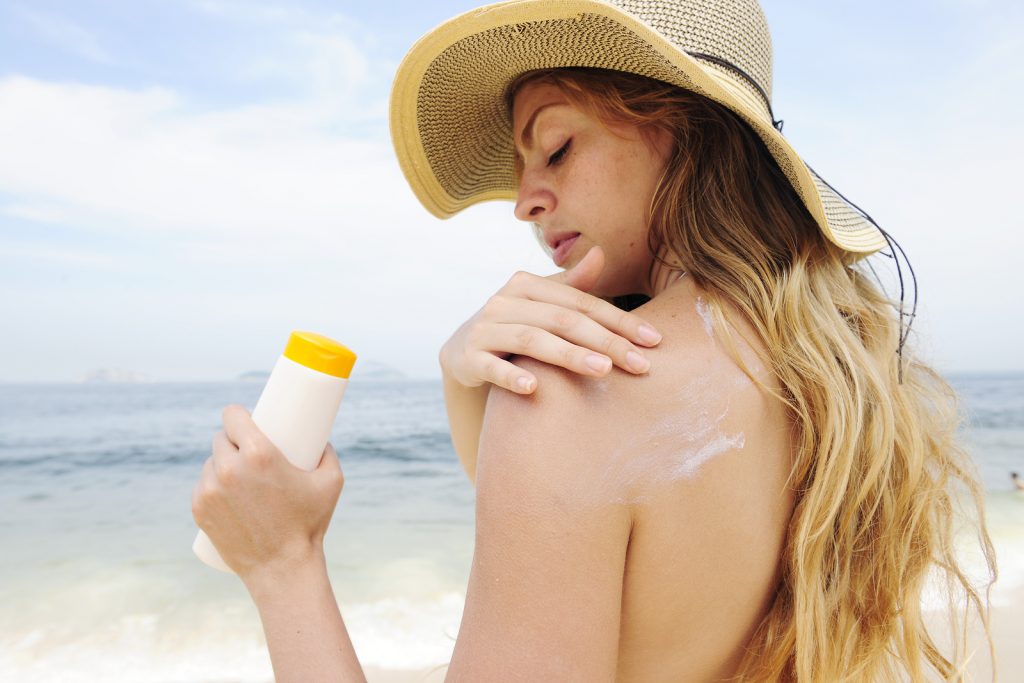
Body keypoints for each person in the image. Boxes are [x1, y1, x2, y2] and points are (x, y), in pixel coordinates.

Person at [191, 1, 996, 680]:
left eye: (556, 148)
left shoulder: (578, 395)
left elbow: (567, 477)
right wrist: (461, 379)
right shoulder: (829, 377)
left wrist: (283, 563)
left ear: (682, 128)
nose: (524, 203)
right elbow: (575, 535)